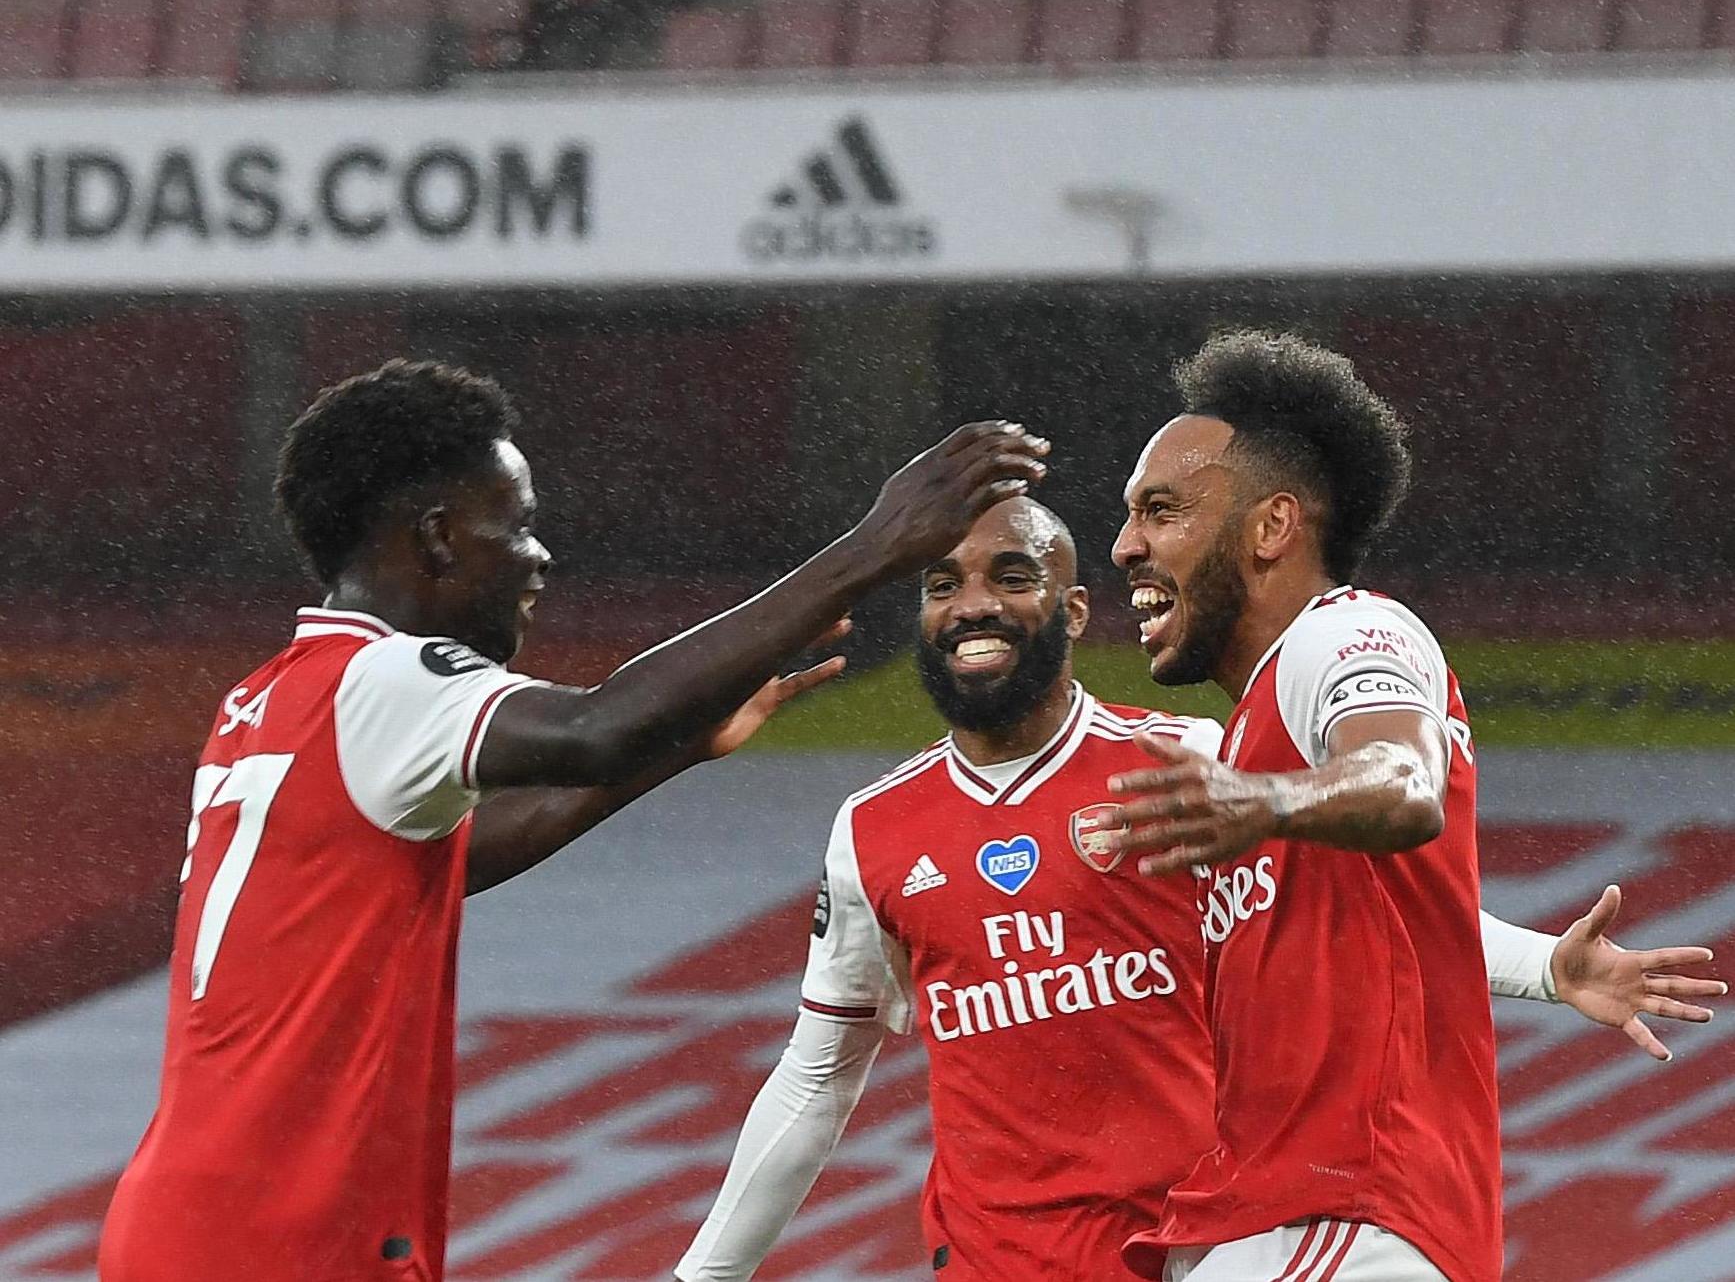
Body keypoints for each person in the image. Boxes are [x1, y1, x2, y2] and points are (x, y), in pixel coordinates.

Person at [96, 358, 1050, 1282]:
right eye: (515, 525)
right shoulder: (383, 679)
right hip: (288, 1231)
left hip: (196, 1214)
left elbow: (464, 850)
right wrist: (875, 546)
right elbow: (597, 725)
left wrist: (674, 745)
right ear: (434, 538)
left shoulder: (267, 698)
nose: (538, 555)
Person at [674, 496, 1721, 1281]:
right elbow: (817, 1079)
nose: (973, 603)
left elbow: (1354, 913)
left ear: (1074, 607)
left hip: (1198, 1244)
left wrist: (1543, 964)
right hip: (998, 1261)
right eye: (942, 584)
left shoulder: (1188, 762)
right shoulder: (874, 830)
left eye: (1009, 573)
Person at [1105, 331, 1724, 1282]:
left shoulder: (1349, 631)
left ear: (1271, 527)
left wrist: (1257, 798)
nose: (1125, 544)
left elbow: (1402, 778)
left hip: (1342, 1215)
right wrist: (1541, 968)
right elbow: (1386, 914)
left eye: (1161, 510)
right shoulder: (1258, 726)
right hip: (1313, 1218)